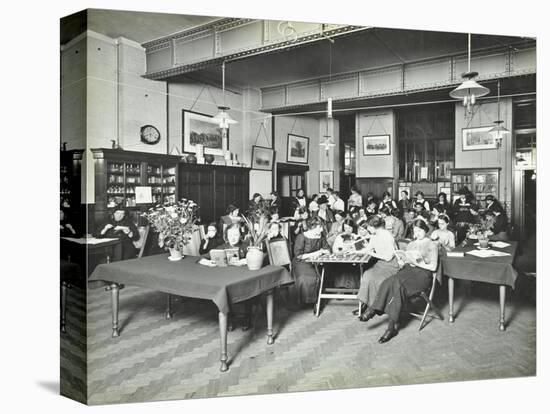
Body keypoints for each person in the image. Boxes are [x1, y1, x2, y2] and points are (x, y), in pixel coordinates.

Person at [360, 219, 438, 343]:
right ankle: (390, 326)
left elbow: (433, 267)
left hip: (422, 275)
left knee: (397, 285)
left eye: (420, 231)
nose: (417, 233)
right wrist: (403, 261)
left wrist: (420, 263)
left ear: (425, 230)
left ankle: (376, 311)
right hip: (408, 271)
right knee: (389, 281)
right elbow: (406, 261)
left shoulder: (432, 244)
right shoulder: (411, 244)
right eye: (415, 231)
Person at [357, 215, 400, 319]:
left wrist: (373, 254)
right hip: (381, 264)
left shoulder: (388, 236)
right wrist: (354, 251)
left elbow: (389, 257)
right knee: (367, 275)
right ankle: (366, 304)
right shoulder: (374, 235)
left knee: (378, 279)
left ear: (372, 226)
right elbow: (368, 248)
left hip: (391, 265)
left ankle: (374, 308)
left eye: (368, 227)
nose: (367, 229)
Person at [289, 217, 331, 308]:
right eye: (320, 227)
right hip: (301, 262)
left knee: (320, 277)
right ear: (313, 227)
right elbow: (298, 255)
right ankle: (306, 301)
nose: (322, 229)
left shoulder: (320, 236)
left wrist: (323, 252)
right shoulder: (302, 237)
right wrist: (318, 252)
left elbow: (327, 249)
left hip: (316, 262)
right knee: (305, 278)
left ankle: (317, 301)